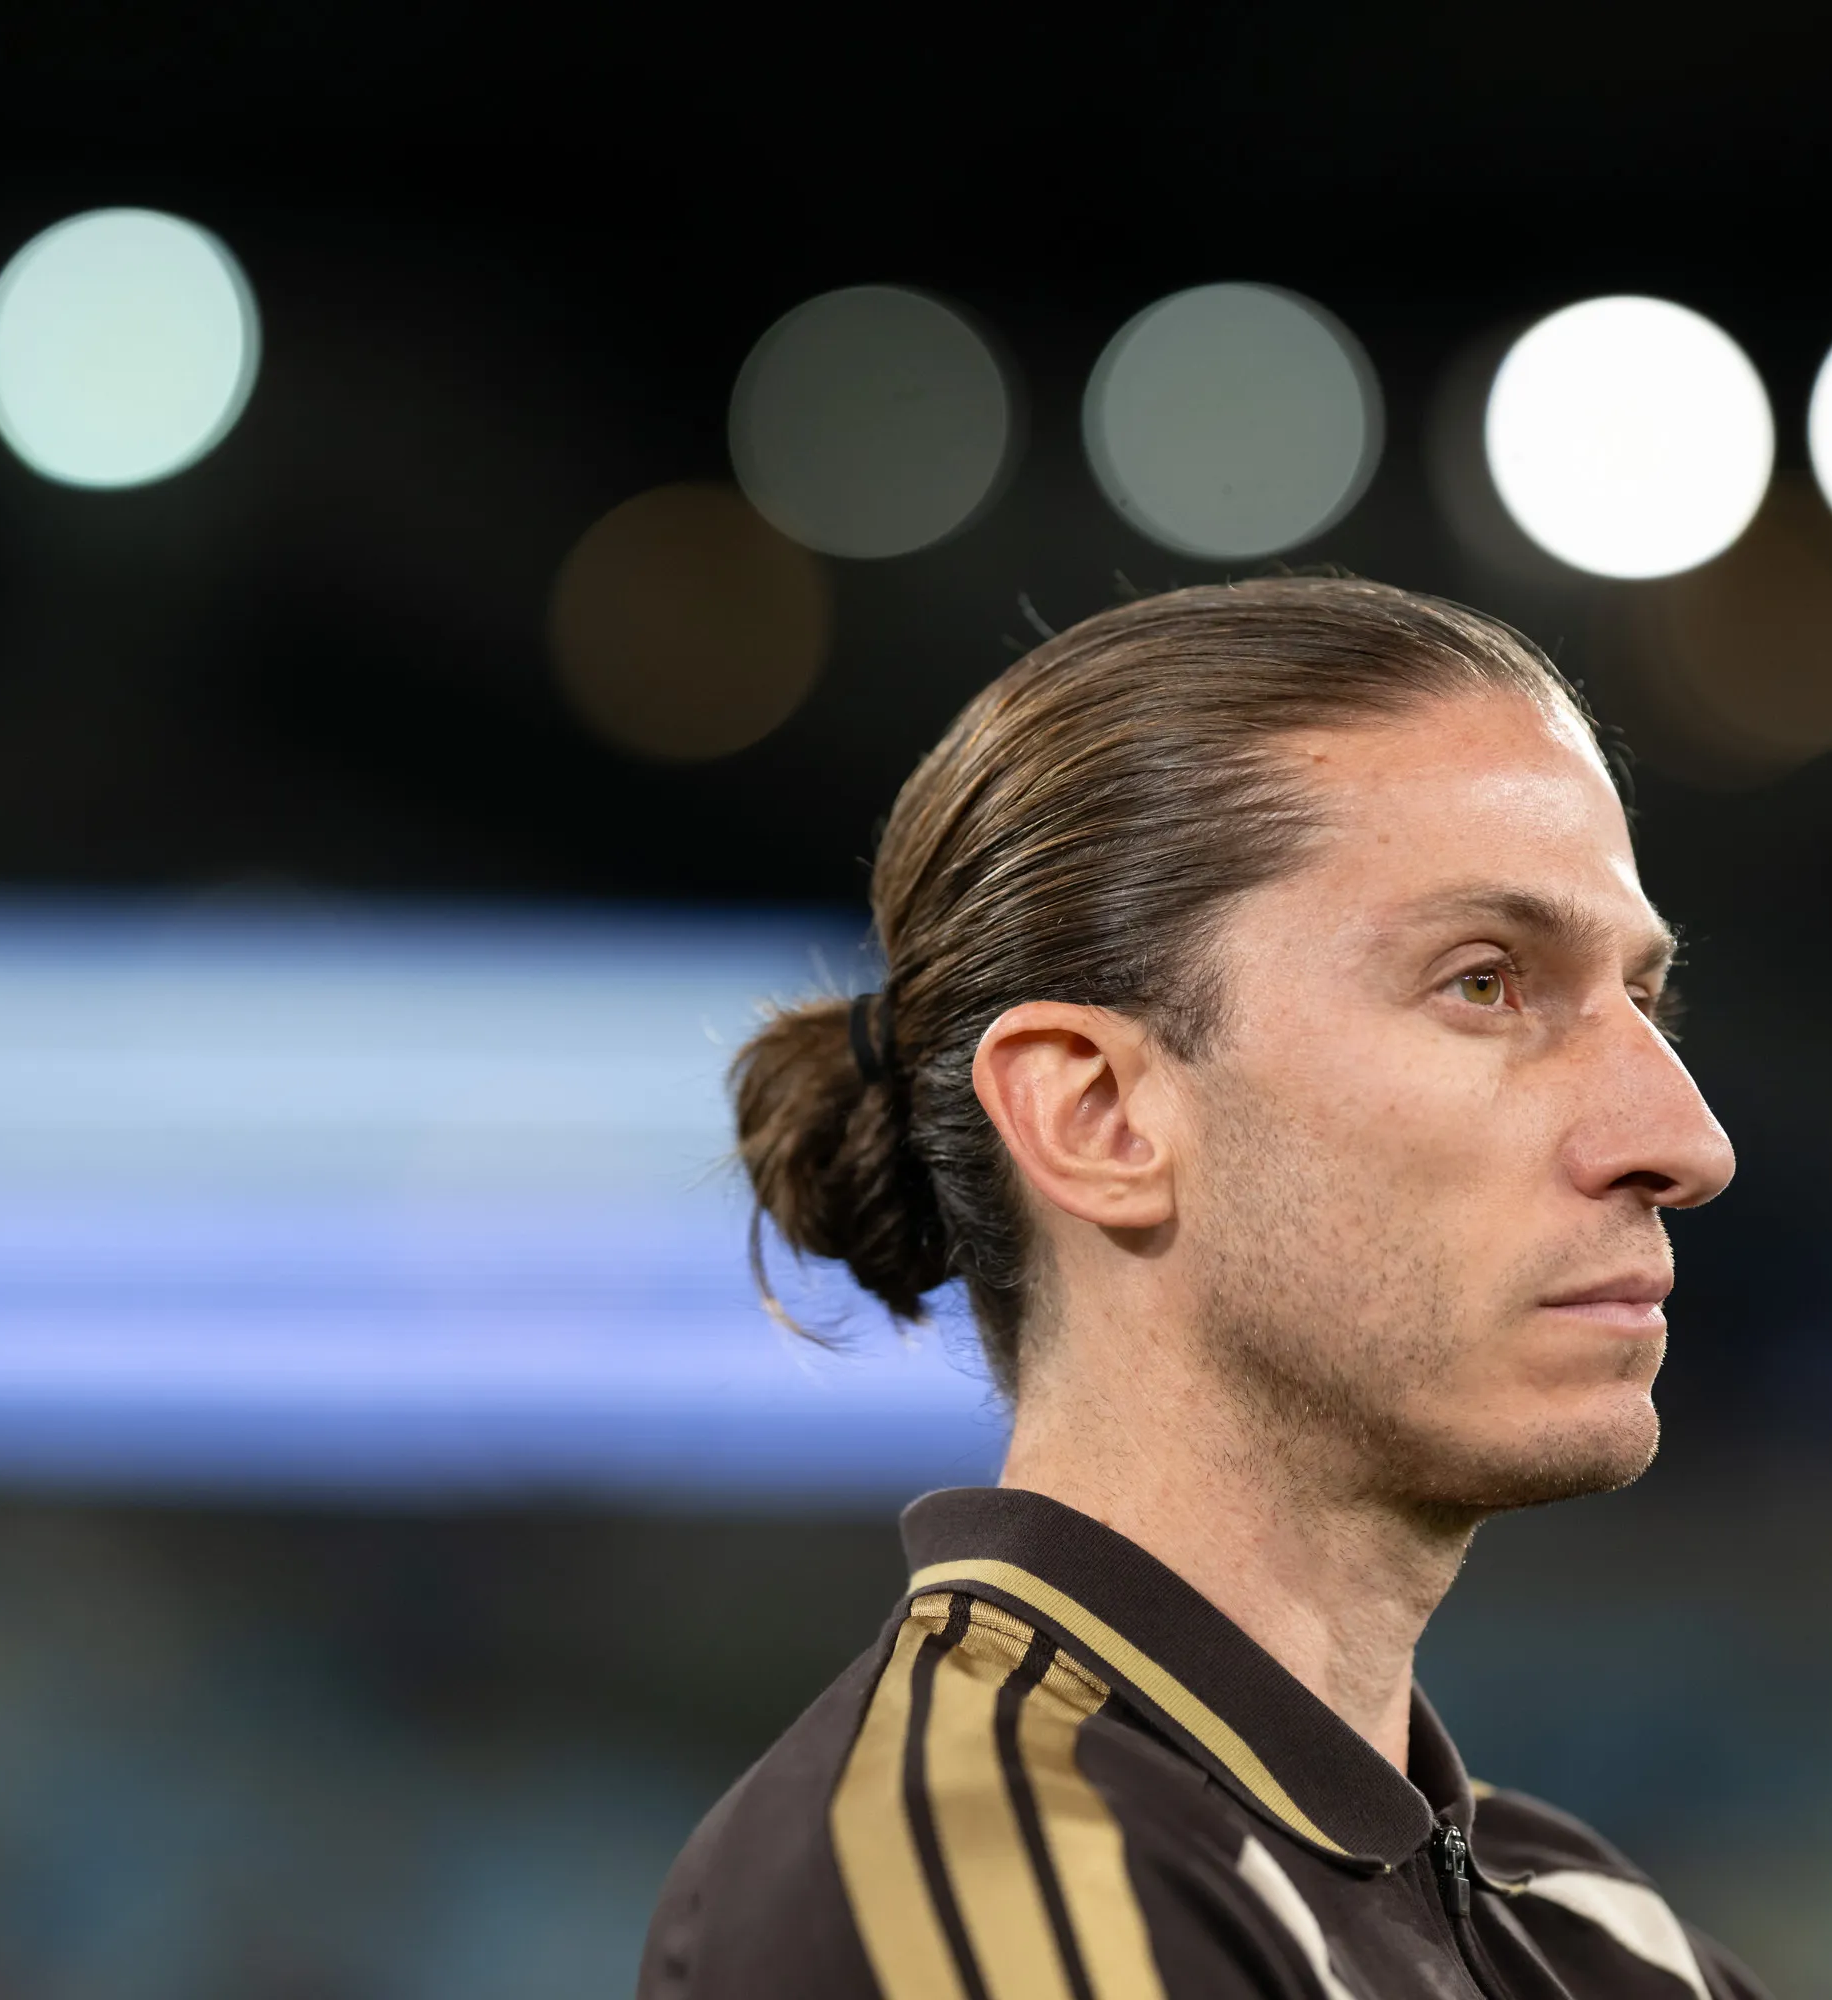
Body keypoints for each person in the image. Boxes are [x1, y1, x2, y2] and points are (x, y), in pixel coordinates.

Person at [639, 577, 1758, 1999]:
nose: (1684, 1140)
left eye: (1640, 1001)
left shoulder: (1607, 1937)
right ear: (1099, 1118)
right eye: (1485, 982)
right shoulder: (975, 1878)